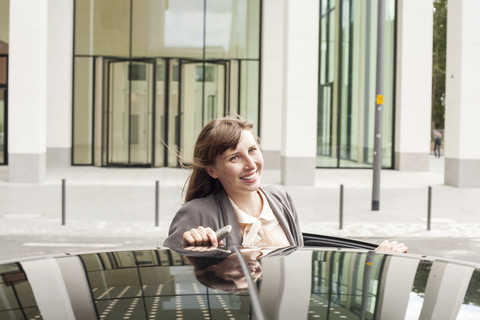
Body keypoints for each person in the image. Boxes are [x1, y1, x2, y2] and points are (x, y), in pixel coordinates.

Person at [163, 115, 407, 253]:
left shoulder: (281, 199)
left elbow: (300, 262)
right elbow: (172, 269)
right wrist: (192, 243)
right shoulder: (196, 213)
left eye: (252, 150)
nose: (251, 164)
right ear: (212, 170)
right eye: (235, 157)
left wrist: (375, 259)